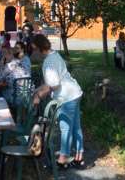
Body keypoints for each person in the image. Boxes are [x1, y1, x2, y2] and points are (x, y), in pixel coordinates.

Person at [32, 33, 85, 170]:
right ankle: (79, 158)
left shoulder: (48, 62)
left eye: (34, 49)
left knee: (66, 128)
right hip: (75, 92)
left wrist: (39, 96)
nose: (33, 53)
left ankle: (63, 159)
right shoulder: (54, 54)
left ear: (39, 48)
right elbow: (52, 81)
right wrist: (38, 89)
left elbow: (54, 85)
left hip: (66, 96)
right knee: (76, 127)